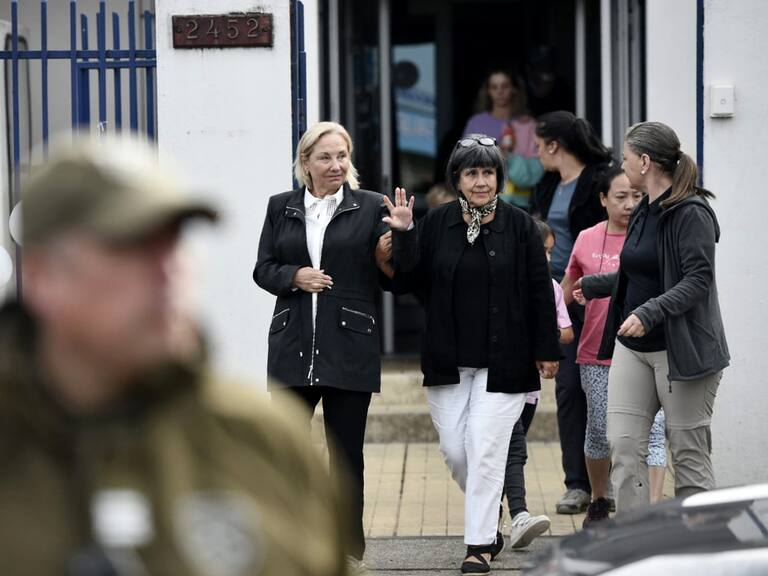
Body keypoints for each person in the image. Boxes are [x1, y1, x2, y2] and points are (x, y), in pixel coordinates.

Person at [0, 135, 350, 576]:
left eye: (173, 242)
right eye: (131, 246)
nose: (167, 269)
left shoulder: (260, 439)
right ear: (41, 274)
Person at [383, 134, 561, 574]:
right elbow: (406, 280)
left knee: (484, 447)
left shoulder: (521, 226)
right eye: (471, 173)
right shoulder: (436, 222)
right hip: (448, 359)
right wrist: (404, 234)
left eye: (488, 172)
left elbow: (540, 291)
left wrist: (546, 348)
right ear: (457, 179)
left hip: (507, 362)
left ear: (499, 177)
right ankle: (490, 513)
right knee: (455, 451)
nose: (481, 181)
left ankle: (479, 544)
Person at [253, 121, 390, 565]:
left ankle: (347, 552)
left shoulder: (371, 207)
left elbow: (396, 276)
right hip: (291, 344)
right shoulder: (281, 206)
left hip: (349, 346)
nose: (335, 165)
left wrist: (402, 240)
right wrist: (294, 275)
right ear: (306, 162)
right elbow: (263, 268)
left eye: (342, 156)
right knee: (284, 453)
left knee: (346, 459)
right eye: (325, 157)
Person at [575, 121, 729, 513]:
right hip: (634, 347)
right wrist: (596, 285)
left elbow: (698, 278)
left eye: (625, 157)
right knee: (624, 446)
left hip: (682, 351)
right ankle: (636, 540)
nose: (621, 164)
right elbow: (643, 270)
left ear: (644, 162)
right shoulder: (644, 208)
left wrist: (650, 311)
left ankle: (700, 541)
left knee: (688, 453)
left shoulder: (692, 213)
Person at [561, 167, 667, 526]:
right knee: (600, 432)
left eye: (636, 196)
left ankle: (650, 510)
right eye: (620, 197)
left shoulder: (652, 235)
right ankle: (599, 498)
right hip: (596, 352)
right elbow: (566, 291)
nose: (629, 204)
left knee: (653, 432)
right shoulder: (586, 239)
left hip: (646, 348)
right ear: (603, 199)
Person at [530, 110, 613, 515]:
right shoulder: (546, 185)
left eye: (538, 144)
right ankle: (576, 484)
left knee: (601, 392)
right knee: (567, 390)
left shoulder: (600, 181)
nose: (535, 152)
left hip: (595, 296)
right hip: (556, 296)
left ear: (554, 145)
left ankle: (606, 483)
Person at [503, 218, 572, 549]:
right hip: (501, 382)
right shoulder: (501, 282)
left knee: (508, 452)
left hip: (530, 390)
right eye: (540, 250)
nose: (546, 258)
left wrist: (544, 338)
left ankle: (491, 523)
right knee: (513, 448)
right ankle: (518, 514)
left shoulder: (552, 287)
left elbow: (567, 332)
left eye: (549, 252)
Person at [463, 70, 543, 210]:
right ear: (488, 91)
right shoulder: (476, 124)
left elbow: (535, 174)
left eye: (505, 86)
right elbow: (465, 167)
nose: (499, 92)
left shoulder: (529, 125)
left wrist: (508, 158)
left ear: (514, 90)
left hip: (520, 206)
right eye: (494, 87)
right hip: (481, 205)